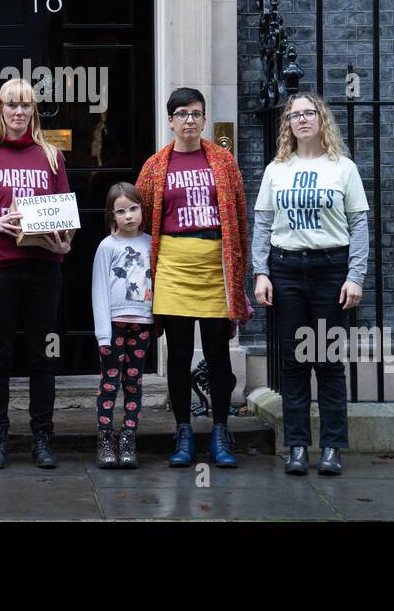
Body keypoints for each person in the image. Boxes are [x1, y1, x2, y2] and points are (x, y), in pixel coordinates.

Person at [251, 91, 369, 477]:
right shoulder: (276, 169)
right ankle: (298, 447)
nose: (302, 119)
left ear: (321, 120)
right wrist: (261, 271)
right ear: (288, 124)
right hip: (285, 269)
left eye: (309, 113)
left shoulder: (342, 168)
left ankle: (332, 447)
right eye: (295, 115)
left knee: (330, 361)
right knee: (294, 363)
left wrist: (355, 276)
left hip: (330, 269)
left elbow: (359, 225)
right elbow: (264, 225)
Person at [136, 87, 252, 468]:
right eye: (182, 114)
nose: (189, 120)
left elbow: (239, 218)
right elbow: (142, 222)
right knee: (180, 352)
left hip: (215, 265)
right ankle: (183, 432)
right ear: (169, 120)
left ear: (204, 120)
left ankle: (219, 431)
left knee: (218, 353)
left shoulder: (222, 160)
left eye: (196, 114)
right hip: (172, 264)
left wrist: (241, 273)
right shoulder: (154, 166)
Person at [0, 77, 74, 469]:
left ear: (33, 111)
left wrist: (66, 244)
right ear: (1, 110)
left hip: (44, 268)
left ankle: (42, 437)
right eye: (12, 105)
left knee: (42, 355)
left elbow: (65, 213)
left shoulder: (51, 156)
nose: (19, 112)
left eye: (26, 105)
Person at [90, 182, 154, 469]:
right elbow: (99, 289)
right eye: (121, 211)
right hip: (114, 325)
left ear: (142, 209)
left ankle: (128, 437)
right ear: (112, 215)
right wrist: (103, 333)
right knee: (109, 383)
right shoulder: (107, 246)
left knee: (133, 382)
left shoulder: (152, 243)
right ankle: (106, 439)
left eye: (133, 209)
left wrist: (157, 320)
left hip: (142, 324)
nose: (128, 216)